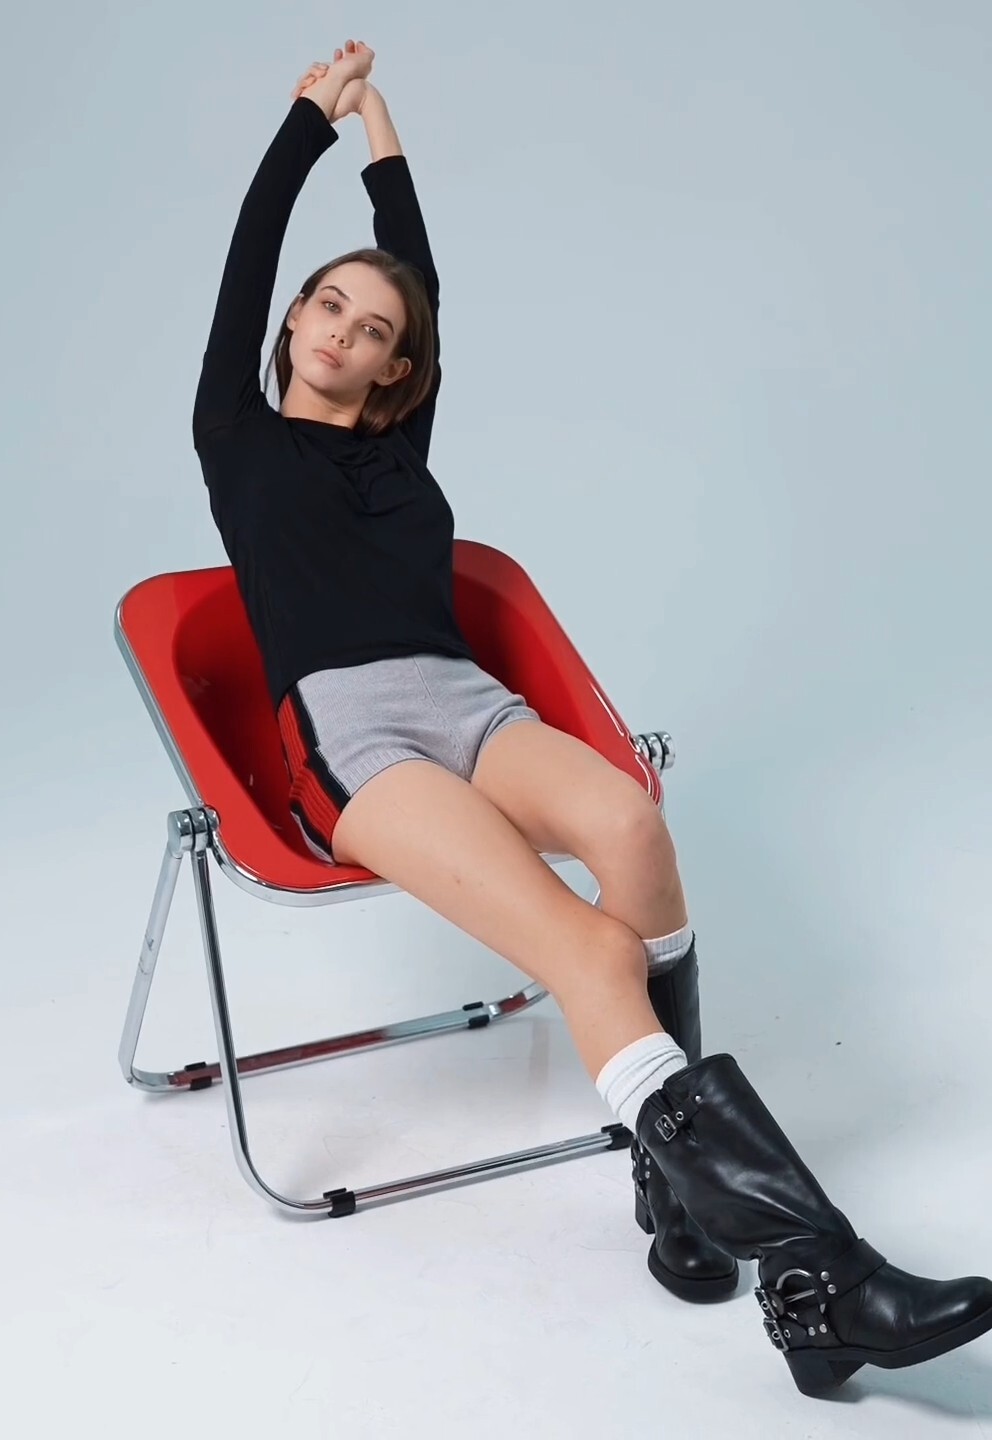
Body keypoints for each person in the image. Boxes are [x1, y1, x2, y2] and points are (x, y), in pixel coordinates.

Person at [191, 39, 992, 1395]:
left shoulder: (397, 446)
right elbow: (249, 254)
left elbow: (425, 282)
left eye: (373, 330)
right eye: (328, 306)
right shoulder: (238, 431)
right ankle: (820, 1280)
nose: (343, 331)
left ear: (395, 369)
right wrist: (315, 123)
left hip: (465, 701)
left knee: (630, 823)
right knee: (586, 949)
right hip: (355, 741)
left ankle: (678, 1202)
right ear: (292, 322)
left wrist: (393, 147)